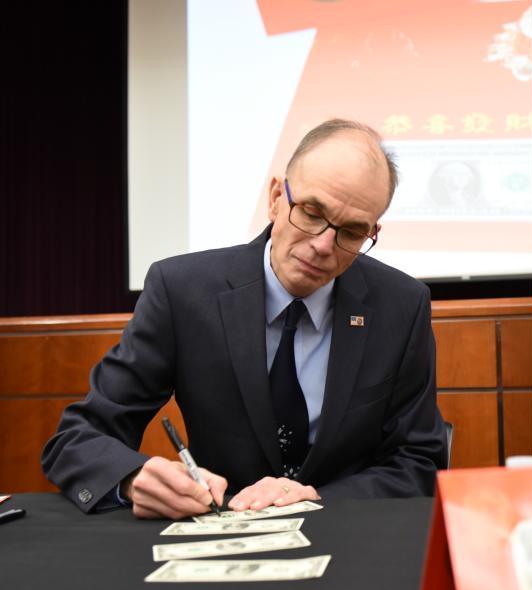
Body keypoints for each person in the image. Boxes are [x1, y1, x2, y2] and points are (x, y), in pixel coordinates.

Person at [42, 119, 446, 519]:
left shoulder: (401, 305)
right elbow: (77, 438)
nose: (324, 245)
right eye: (311, 213)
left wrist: (318, 497)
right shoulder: (182, 292)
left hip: (346, 535)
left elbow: (420, 462)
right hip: (218, 532)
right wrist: (132, 478)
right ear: (276, 197)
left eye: (352, 232)